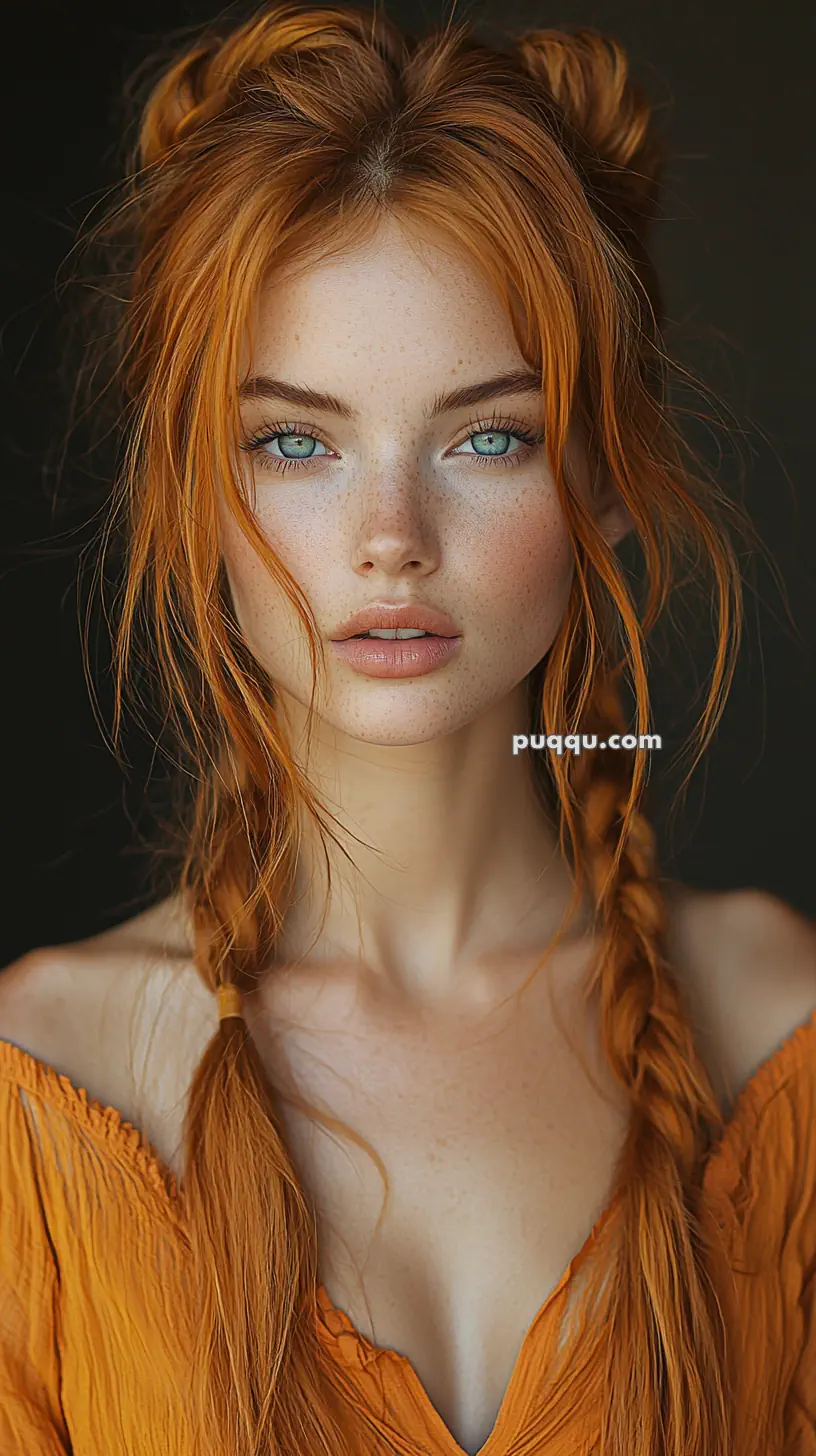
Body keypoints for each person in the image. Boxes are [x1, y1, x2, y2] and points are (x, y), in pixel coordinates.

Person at [0, 4, 814, 1454]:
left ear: (606, 472)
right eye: (294, 442)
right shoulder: (41, 1085)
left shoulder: (782, 1033)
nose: (390, 539)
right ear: (197, 491)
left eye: (485, 434)